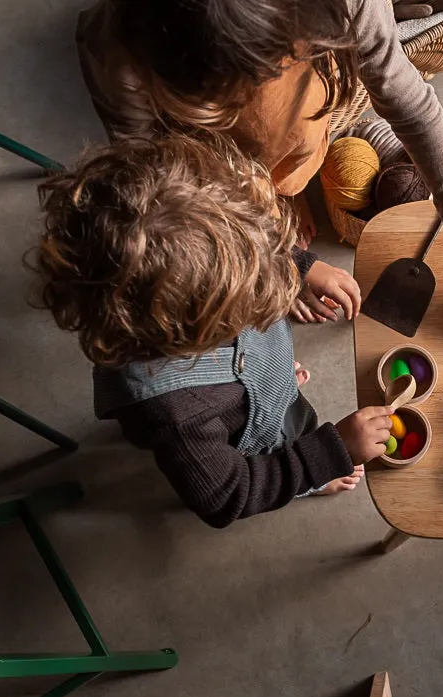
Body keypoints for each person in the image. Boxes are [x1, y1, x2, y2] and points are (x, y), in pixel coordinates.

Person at [75, 0, 443, 323]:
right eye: (207, 107)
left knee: (288, 145)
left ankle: (283, 179)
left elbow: (404, 95)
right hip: (222, 164)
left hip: (291, 121)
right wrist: (287, 261)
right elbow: (177, 194)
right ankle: (273, 187)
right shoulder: (119, 56)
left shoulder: (341, 6)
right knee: (248, 168)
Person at [31, 134, 393, 527]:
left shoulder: (200, 249)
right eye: (251, 295)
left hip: (243, 375)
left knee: (278, 397)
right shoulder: (177, 416)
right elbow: (228, 495)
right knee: (293, 439)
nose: (267, 280)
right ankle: (305, 475)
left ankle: (262, 384)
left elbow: (240, 236)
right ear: (199, 334)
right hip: (248, 436)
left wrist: (300, 265)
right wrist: (329, 453)